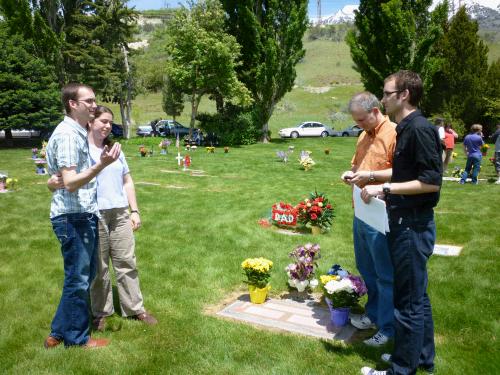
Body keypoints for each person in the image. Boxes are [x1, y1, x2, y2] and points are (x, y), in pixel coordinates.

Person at [359, 70, 442, 375]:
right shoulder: (406, 128)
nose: (382, 99)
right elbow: (406, 173)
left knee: (407, 303)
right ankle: (420, 359)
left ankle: (400, 368)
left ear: (404, 95)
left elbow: (431, 182)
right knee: (417, 297)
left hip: (412, 225)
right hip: (405, 221)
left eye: (387, 93)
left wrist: (385, 188)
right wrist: (372, 178)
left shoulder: (419, 129)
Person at [49, 106, 158, 331]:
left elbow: (127, 181)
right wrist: (50, 182)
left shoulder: (115, 150)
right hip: (93, 214)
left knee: (127, 262)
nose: (107, 126)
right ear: (91, 122)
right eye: (103, 121)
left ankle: (135, 308)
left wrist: (134, 210)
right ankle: (101, 313)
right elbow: (63, 178)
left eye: (110, 122)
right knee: (99, 268)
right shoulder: (81, 150)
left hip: (119, 213)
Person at [44, 83, 121, 349]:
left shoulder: (75, 132)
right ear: (72, 104)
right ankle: (77, 339)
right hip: (73, 217)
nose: (93, 105)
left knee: (79, 279)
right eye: (88, 101)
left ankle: (59, 331)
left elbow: (60, 179)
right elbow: (71, 182)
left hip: (81, 215)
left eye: (94, 101)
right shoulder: (67, 134)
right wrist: (102, 164)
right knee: (78, 280)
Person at [341, 92, 396, 347]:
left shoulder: (395, 133)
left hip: (381, 213)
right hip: (361, 212)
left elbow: (402, 172)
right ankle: (373, 315)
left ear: (375, 111)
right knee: (367, 270)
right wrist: (351, 174)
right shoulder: (363, 135)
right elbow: (357, 166)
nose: (359, 126)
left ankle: (388, 328)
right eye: (356, 122)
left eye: (362, 120)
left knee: (385, 275)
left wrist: (371, 177)